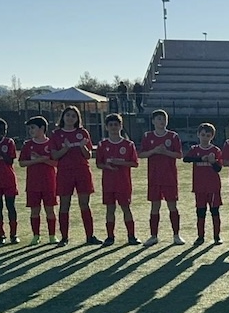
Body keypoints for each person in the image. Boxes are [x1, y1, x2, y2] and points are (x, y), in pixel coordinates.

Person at [50, 105, 100, 246]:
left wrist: (82, 146)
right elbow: (54, 155)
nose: (70, 118)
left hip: (82, 171)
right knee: (64, 205)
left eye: (73, 116)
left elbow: (88, 155)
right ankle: (64, 238)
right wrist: (65, 148)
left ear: (77, 118)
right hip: (65, 172)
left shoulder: (83, 132)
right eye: (68, 115)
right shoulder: (56, 134)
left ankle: (90, 236)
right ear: (63, 117)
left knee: (84, 204)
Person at [140, 109, 184, 245]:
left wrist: (166, 152)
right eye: (158, 119)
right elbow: (141, 155)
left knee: (172, 206)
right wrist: (154, 151)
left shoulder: (173, 136)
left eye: (164, 118)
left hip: (169, 177)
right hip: (154, 177)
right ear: (153, 121)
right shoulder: (148, 136)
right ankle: (153, 236)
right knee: (155, 206)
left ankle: (176, 235)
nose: (161, 121)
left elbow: (179, 155)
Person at [95, 113, 140, 246]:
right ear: (106, 127)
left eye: (116, 124)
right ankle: (110, 237)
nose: (114, 127)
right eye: (111, 125)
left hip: (123, 183)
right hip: (108, 183)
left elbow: (135, 163)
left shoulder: (128, 144)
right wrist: (107, 166)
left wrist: (120, 163)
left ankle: (131, 236)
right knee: (110, 209)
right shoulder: (102, 145)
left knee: (126, 208)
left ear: (121, 126)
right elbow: (98, 164)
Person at [19, 116, 58, 244]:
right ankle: (36, 236)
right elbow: (22, 163)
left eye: (33, 128)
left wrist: (43, 159)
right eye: (29, 128)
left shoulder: (51, 143)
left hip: (49, 183)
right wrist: (36, 160)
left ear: (42, 128)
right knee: (34, 210)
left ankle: (52, 236)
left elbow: (56, 163)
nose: (31, 130)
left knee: (50, 210)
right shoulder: (28, 145)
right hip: (33, 184)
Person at [183, 122, 224, 245]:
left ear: (212, 137)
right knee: (200, 212)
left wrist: (212, 162)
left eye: (208, 135)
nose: (205, 137)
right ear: (198, 135)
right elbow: (186, 159)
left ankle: (217, 236)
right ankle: (200, 236)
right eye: (203, 135)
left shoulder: (215, 150)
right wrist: (201, 159)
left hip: (213, 187)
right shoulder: (195, 149)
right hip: (199, 187)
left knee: (214, 211)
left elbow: (218, 169)